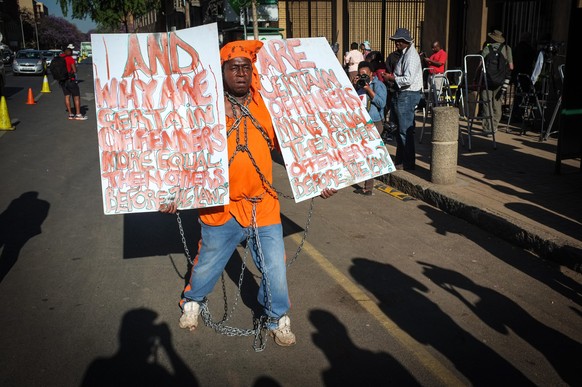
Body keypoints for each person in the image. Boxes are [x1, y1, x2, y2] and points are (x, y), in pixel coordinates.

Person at [160, 40, 336, 347]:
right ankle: (193, 300)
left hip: (263, 206)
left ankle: (276, 317)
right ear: (222, 71)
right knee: (206, 265)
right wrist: (173, 192)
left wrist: (316, 177)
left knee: (275, 269)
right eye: (234, 67)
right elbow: (185, 153)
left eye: (246, 67)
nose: (241, 73)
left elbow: (295, 146)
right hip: (220, 209)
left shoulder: (267, 107)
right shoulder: (205, 109)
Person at [383, 28, 423, 171]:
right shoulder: (405, 54)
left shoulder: (411, 56)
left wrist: (391, 78)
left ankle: (407, 162)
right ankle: (401, 160)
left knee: (404, 130)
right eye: (396, 41)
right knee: (400, 129)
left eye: (399, 41)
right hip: (402, 93)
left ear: (406, 41)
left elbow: (408, 79)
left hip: (408, 94)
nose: (396, 43)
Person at [353, 61, 387, 195]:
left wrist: (368, 90)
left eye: (365, 74)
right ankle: (366, 184)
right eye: (360, 75)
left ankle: (368, 187)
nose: (363, 77)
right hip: (361, 123)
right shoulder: (359, 85)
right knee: (363, 154)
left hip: (375, 122)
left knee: (370, 155)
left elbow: (381, 103)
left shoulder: (379, 85)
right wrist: (353, 85)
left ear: (371, 74)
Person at [480, 30, 513, 134]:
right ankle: (494, 127)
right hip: (500, 81)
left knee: (487, 103)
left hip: (487, 80)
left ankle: (487, 128)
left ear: (492, 38)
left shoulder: (487, 48)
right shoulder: (507, 49)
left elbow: (481, 64)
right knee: (497, 103)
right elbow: (511, 66)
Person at [59, 44, 87, 120]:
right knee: (76, 96)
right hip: (70, 80)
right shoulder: (69, 58)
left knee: (67, 96)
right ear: (68, 52)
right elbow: (74, 70)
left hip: (62, 81)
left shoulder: (59, 57)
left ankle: (70, 114)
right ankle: (78, 114)